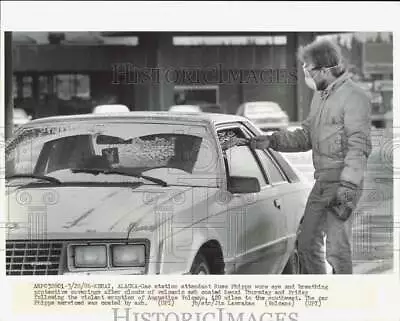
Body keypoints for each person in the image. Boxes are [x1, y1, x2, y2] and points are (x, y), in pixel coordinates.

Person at [249, 39, 372, 274]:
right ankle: (320, 292)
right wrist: (272, 140)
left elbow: (359, 147)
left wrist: (347, 189)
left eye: (308, 69)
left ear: (325, 69)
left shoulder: (355, 97)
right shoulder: (321, 97)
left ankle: (342, 299)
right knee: (306, 243)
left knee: (337, 249)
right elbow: (306, 135)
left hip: (344, 182)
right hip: (323, 182)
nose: (306, 75)